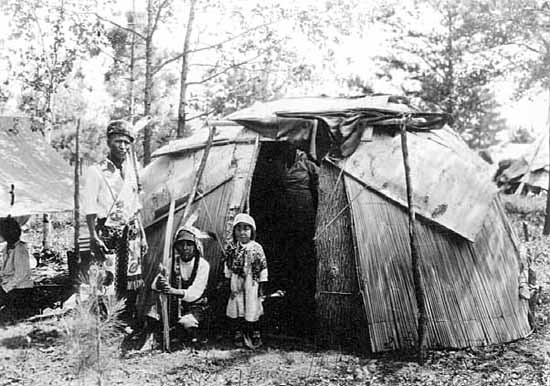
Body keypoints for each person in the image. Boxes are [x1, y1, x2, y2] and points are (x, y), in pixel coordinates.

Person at [81, 120, 146, 318]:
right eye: (118, 141)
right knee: (106, 278)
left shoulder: (133, 172)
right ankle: (105, 322)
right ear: (109, 142)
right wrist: (93, 235)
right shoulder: (96, 171)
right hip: (107, 232)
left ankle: (127, 320)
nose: (123, 147)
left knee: (131, 277)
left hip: (131, 232)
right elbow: (89, 207)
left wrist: (142, 235)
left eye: (127, 142)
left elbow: (135, 206)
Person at [149, 226, 210, 344]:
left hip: (196, 306)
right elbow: (154, 286)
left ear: (196, 246)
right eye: (181, 244)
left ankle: (192, 334)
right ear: (176, 247)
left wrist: (172, 291)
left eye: (189, 244)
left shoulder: (203, 265)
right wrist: (160, 282)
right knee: (152, 313)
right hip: (175, 306)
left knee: (186, 325)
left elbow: (194, 293)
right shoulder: (171, 261)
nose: (185, 248)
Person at [224, 213, 268, 348]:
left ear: (252, 231)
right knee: (236, 306)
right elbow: (228, 267)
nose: (242, 232)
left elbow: (263, 267)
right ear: (234, 231)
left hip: (251, 282)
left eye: (246, 228)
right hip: (236, 282)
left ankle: (254, 333)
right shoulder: (232, 248)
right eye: (239, 229)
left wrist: (261, 286)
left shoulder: (257, 248)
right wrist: (228, 280)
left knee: (252, 307)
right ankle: (238, 332)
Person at [0, 216, 33, 308]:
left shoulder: (20, 249)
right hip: (10, 286)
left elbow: (21, 275)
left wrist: (5, 288)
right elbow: (6, 271)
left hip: (20, 290)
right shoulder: (7, 248)